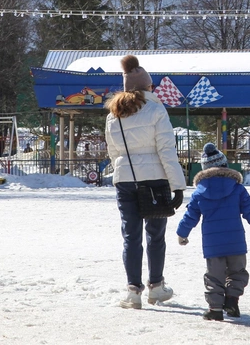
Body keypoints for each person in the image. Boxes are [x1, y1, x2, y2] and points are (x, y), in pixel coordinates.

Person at [105, 54, 187, 310]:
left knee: (131, 236)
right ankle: (156, 287)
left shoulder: (113, 115)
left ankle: (133, 291)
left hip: (125, 180)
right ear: (147, 87)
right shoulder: (156, 109)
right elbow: (166, 150)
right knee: (156, 235)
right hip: (155, 180)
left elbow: (113, 152)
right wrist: (178, 185)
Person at [176, 142, 250, 321]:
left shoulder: (199, 193)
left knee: (214, 276)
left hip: (213, 245)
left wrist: (182, 233)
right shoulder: (238, 188)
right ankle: (232, 300)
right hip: (236, 242)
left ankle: (215, 309)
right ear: (225, 165)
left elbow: (191, 215)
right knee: (237, 272)